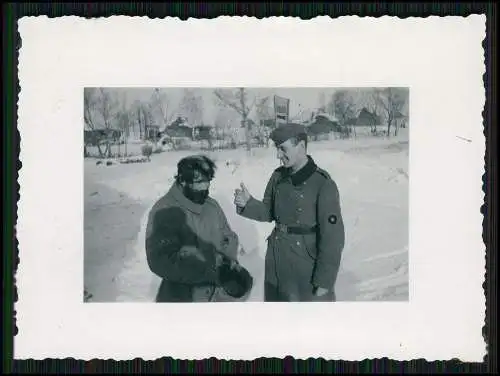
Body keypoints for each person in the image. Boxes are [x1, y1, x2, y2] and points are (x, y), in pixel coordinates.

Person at [234, 123, 345, 302]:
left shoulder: (323, 184)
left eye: (283, 149)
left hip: (306, 266)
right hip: (277, 259)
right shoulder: (278, 176)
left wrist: (324, 280)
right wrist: (248, 204)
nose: (278, 155)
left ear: (301, 146)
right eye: (277, 149)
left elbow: (333, 238)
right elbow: (268, 212)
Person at [145, 154, 252, 302]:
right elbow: (162, 260)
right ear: (182, 180)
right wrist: (211, 269)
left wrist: (230, 266)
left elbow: (228, 237)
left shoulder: (212, 206)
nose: (205, 187)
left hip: (218, 296)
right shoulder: (165, 210)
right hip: (183, 299)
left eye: (208, 181)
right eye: (199, 181)